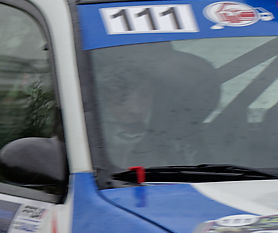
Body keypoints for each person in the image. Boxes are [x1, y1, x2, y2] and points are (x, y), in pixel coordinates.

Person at [93, 47, 222, 167]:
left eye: (145, 95)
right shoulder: (87, 146)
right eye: (122, 98)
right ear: (103, 100)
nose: (136, 109)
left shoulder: (184, 143)